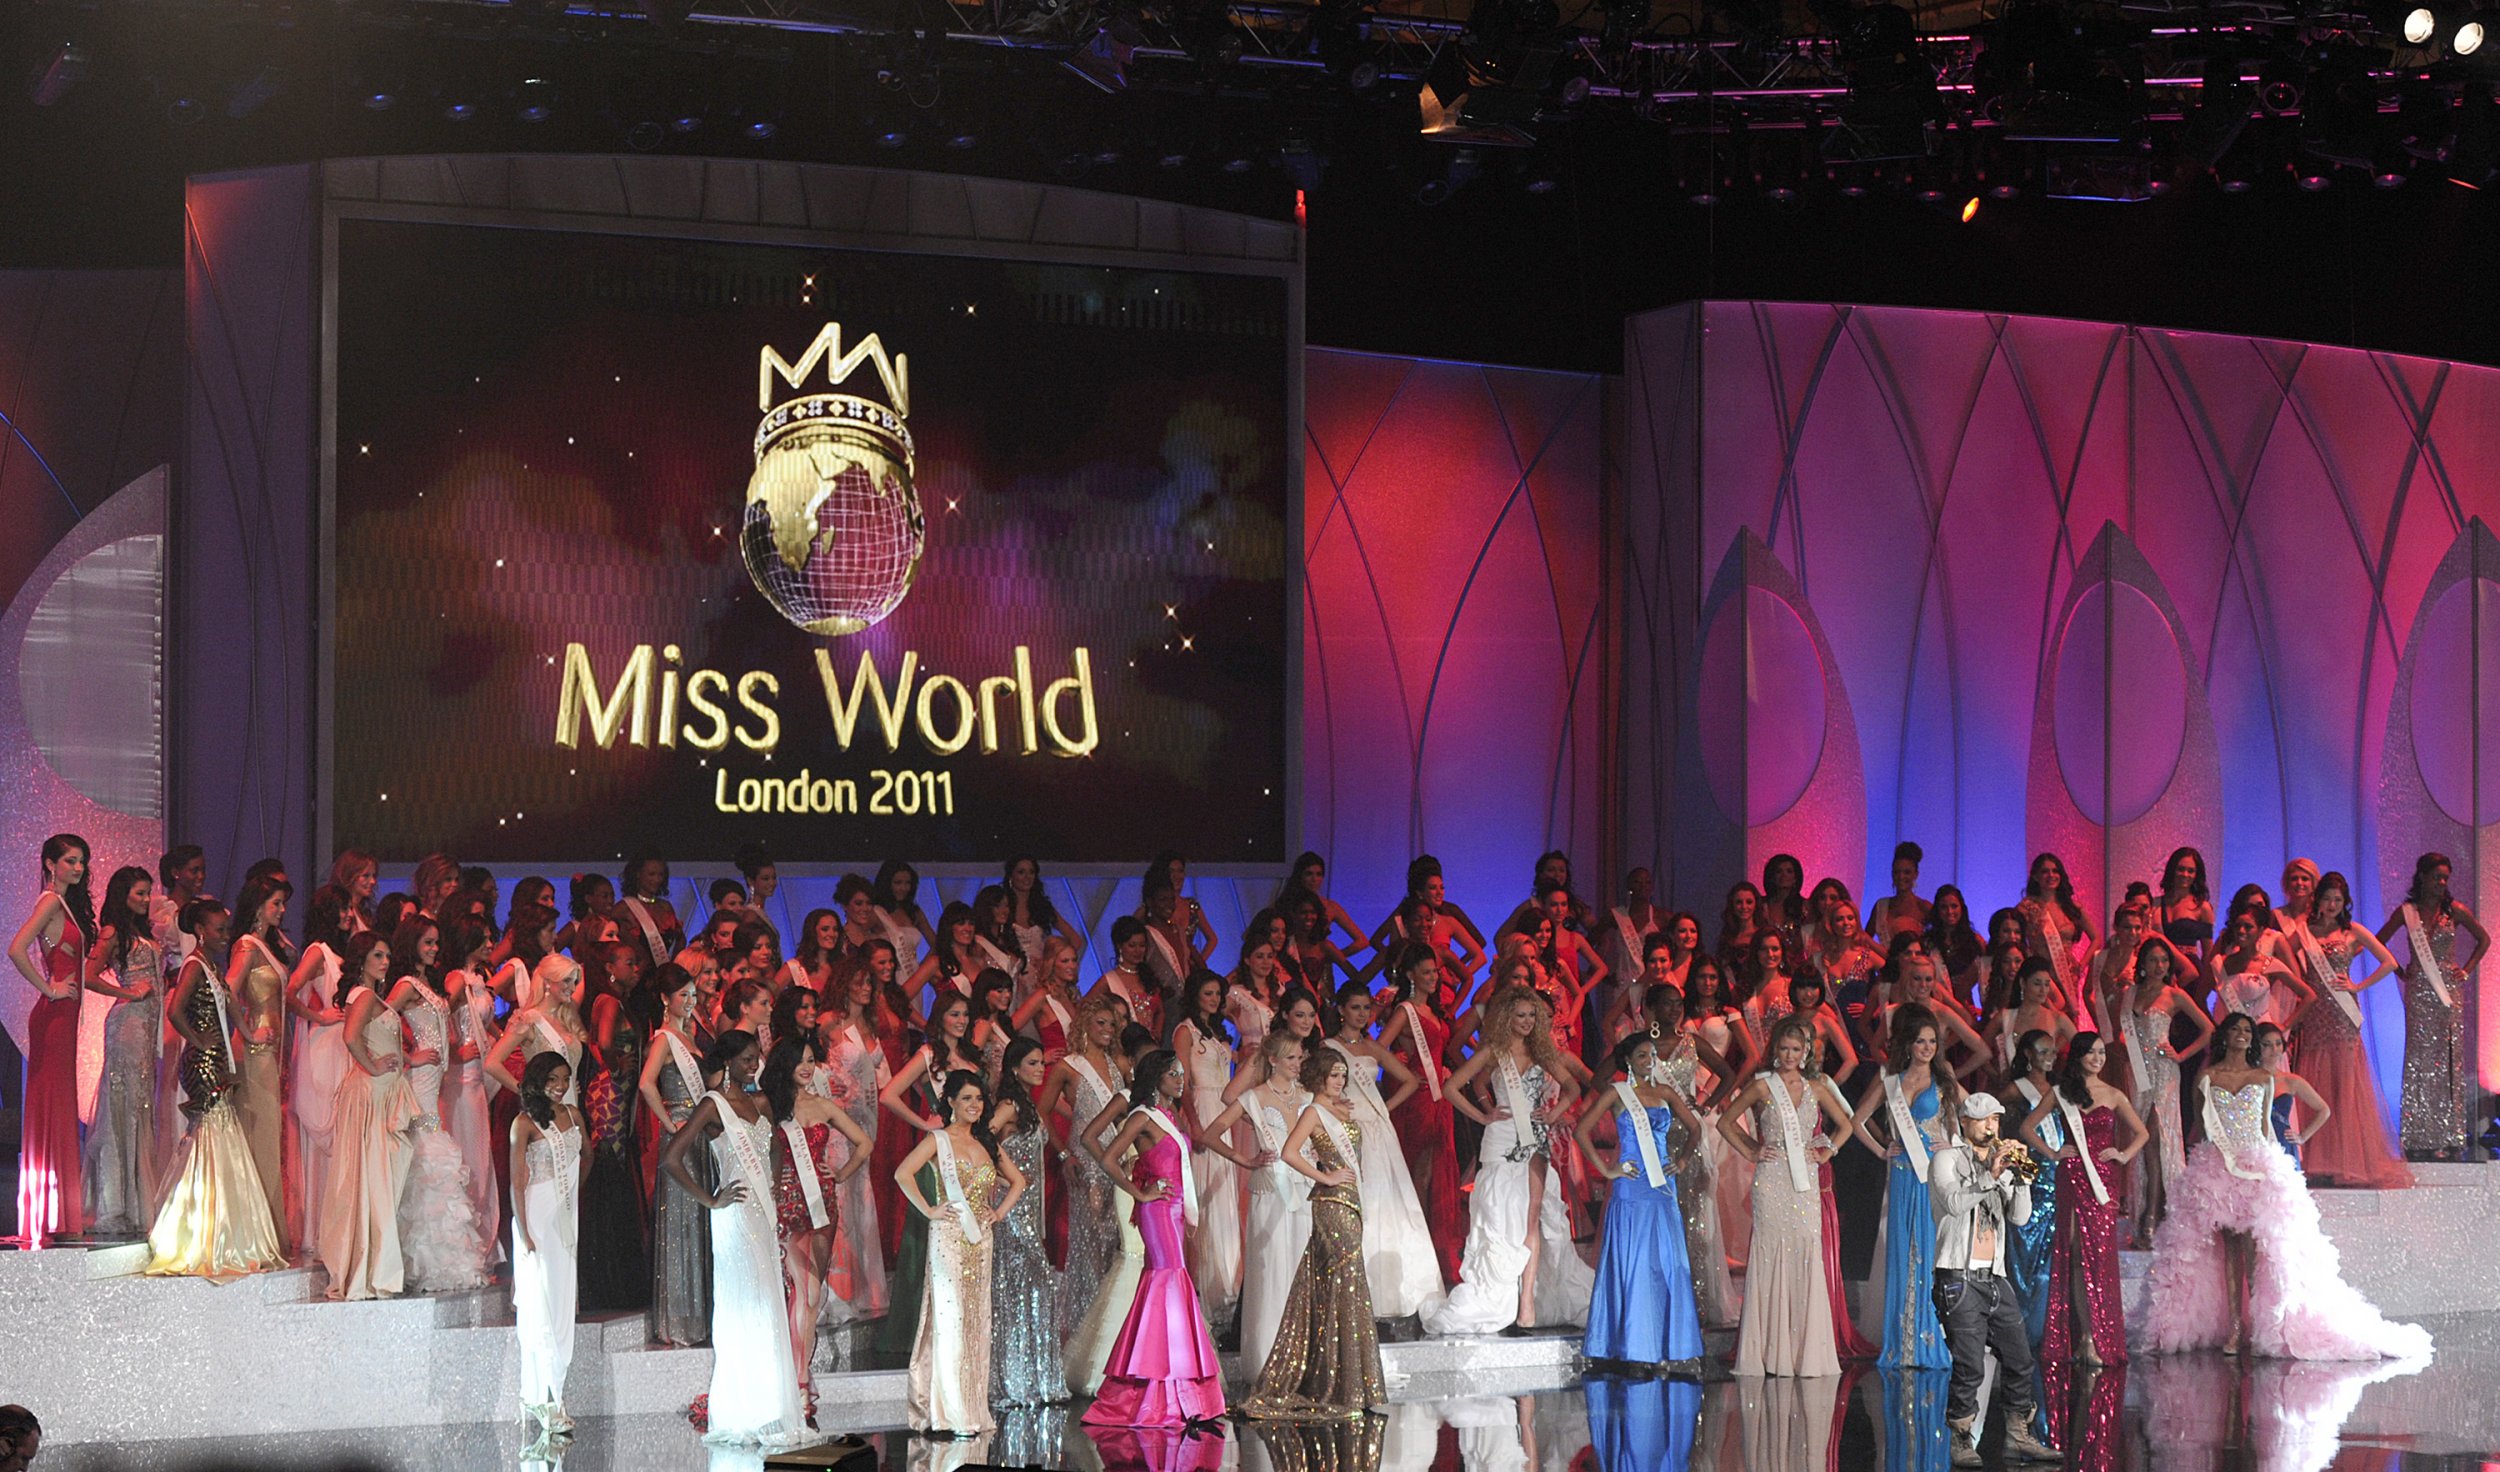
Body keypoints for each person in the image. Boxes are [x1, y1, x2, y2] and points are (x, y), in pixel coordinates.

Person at [2139, 1012, 2432, 1360]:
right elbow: (2201, 1125)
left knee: (2258, 1249)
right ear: (2225, 1036)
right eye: (2238, 1030)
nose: (2244, 1036)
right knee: (2229, 1246)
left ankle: (2261, 1325)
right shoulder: (2207, 1076)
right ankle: (2234, 1325)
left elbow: (2265, 1127)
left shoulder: (2263, 1078)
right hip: (2218, 1167)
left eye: (2248, 1031)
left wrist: (2273, 1164)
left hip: (2256, 1164)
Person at [660, 1029, 806, 1447]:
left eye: (756, 1057)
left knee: (766, 1299)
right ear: (726, 1062)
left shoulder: (760, 1102)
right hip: (733, 1215)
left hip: (761, 1212)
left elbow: (775, 1148)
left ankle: (771, 1406)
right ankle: (744, 1408)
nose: (753, 1065)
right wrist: (710, 1199)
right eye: (745, 1059)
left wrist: (774, 1186)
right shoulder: (712, 1105)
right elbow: (672, 1159)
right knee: (742, 1302)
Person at [1428, 985, 1593, 1336]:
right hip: (1501, 1137)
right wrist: (1485, 1114)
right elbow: (1452, 1087)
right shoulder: (1493, 1051)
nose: (1527, 1022)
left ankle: (1527, 1303)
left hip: (1533, 1137)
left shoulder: (1543, 1052)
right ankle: (1501, 1293)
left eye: (1533, 1015)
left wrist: (1553, 1114)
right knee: (1500, 1216)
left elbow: (1574, 1087)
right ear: (1507, 1018)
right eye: (1521, 1015)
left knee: (1531, 1220)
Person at [1081, 1047, 1228, 1427]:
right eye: (1173, 1074)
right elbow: (1107, 1155)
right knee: (1168, 1281)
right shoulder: (1142, 1117)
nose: (1180, 1080)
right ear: (1155, 1078)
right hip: (1157, 1208)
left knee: (1170, 1286)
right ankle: (1158, 1385)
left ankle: (1171, 1385)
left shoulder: (1169, 1115)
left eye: (1181, 1074)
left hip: (1175, 1208)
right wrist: (1139, 1191)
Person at [1243, 1047, 1389, 1419]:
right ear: (1319, 1077)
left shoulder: (1342, 1110)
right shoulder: (1313, 1112)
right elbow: (1291, 1152)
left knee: (1344, 1286)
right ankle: (1341, 1385)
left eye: (1343, 1075)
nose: (1340, 1081)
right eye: (1334, 1075)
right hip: (1330, 1205)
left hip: (1350, 1203)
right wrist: (1324, 1176)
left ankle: (1350, 1383)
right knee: (1345, 1282)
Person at [145, 898, 285, 1280]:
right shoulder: (193, 965)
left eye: (226, 928)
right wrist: (197, 1041)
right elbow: (174, 1009)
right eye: (220, 929)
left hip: (219, 1057)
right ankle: (200, 1230)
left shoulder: (212, 967)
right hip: (203, 1062)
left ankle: (222, 1227)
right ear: (202, 931)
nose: (226, 935)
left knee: (220, 1139)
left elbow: (233, 1009)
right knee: (211, 1138)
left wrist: (250, 1035)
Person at [1926, 1093, 2062, 1466]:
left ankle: (2019, 1434)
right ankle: (1961, 1439)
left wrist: (2018, 1181)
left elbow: (2019, 1217)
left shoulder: (1999, 1164)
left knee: (2019, 1358)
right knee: (1970, 1365)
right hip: (1958, 1276)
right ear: (1965, 1122)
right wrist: (1991, 1175)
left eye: (1996, 1120)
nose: (1991, 1126)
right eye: (1985, 1119)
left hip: (1995, 1277)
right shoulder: (1946, 1159)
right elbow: (1954, 1203)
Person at [1719, 1017, 1857, 1377]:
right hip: (1772, 1178)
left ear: (1806, 1051)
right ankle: (1767, 1352)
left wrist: (1828, 1152)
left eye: (1797, 1049)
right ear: (1775, 1050)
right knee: (1771, 1254)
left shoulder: (1818, 1087)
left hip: (1805, 1182)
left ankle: (1803, 1352)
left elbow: (1846, 1125)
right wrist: (1751, 1150)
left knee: (1805, 1253)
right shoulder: (1763, 1086)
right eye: (1784, 1048)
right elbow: (1725, 1122)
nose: (1790, 1055)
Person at [896, 1066, 1021, 1438]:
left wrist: (998, 1212)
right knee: (951, 1321)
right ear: (950, 1102)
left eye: (979, 1098)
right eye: (966, 1098)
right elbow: (903, 1174)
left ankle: (971, 1407)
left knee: (976, 1321)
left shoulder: (987, 1142)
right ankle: (949, 1412)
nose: (974, 1105)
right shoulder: (938, 1140)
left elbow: (1018, 1181)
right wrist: (929, 1209)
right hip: (949, 1235)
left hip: (981, 1238)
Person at [1575, 1033, 1706, 1369]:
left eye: (1652, 1056)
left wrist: (1683, 1161)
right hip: (1631, 1186)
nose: (1650, 1061)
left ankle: (1667, 1344)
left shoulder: (1664, 1092)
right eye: (1643, 1056)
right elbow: (1581, 1130)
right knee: (1633, 1264)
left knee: (1666, 1262)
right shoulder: (1617, 1093)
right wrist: (1607, 1169)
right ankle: (1632, 1347)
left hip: (1662, 1187)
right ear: (1628, 1061)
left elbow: (1695, 1128)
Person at [2015, 1032, 2145, 1367]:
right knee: (2073, 1254)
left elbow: (2142, 1132)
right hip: (2071, 1176)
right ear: (2078, 1057)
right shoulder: (2061, 1093)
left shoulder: (2114, 1094)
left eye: (2102, 1053)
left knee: (2098, 1258)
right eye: (2091, 1053)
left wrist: (2123, 1154)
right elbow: (2027, 1127)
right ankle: (2085, 1337)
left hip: (2102, 1178)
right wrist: (2054, 1153)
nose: (2098, 1059)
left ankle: (2099, 1337)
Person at [1323, 982, 1446, 1322]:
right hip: (1348, 1131)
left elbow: (1410, 1080)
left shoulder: (1373, 1047)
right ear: (1341, 1010)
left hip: (1377, 1130)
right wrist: (1336, 1109)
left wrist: (1382, 1107)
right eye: (1355, 1008)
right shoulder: (1328, 1048)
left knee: (1387, 1203)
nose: (1362, 1014)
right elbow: (1316, 1089)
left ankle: (1390, 1288)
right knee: (1360, 1202)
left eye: (1366, 1008)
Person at [763, 1034, 870, 1425]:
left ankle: (799, 1377)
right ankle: (799, 1381)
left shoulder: (823, 1105)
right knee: (804, 1294)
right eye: (801, 1061)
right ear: (784, 1065)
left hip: (822, 1204)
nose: (807, 1068)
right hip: (788, 1204)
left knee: (812, 1293)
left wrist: (839, 1174)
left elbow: (864, 1143)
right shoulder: (770, 1107)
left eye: (811, 1061)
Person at [2283, 872, 2412, 1188]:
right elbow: (2280, 955)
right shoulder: (2304, 932)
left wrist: (2359, 985)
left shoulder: (2352, 931)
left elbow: (2390, 962)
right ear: (2318, 900)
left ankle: (2346, 1163)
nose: (2331, 905)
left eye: (2337, 900)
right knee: (2315, 1082)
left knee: (2344, 1086)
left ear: (2345, 903)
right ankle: (2316, 1161)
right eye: (2326, 898)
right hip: (2315, 1016)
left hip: (2342, 1016)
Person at [1847, 1004, 1956, 1371]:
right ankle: (1902, 1342)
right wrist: (1881, 1149)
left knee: (1928, 1250)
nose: (1926, 1048)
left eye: (1932, 1042)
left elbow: (1960, 1123)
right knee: (1902, 1251)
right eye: (1920, 1041)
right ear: (1908, 1045)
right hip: (1903, 1172)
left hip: (1932, 1175)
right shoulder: (1888, 1079)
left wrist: (1952, 1146)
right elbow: (1856, 1120)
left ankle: (1926, 1337)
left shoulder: (1943, 1079)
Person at [387, 917, 493, 1292]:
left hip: (435, 1081)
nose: (434, 949)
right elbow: (378, 1021)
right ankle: (423, 1260)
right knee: (427, 1158)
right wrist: (407, 1056)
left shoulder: (425, 984)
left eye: (436, 943)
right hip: (421, 1080)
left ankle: (435, 1259)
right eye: (427, 943)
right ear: (411, 943)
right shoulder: (405, 985)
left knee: (430, 1155)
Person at [1201, 1030, 1314, 1372]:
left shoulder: (1308, 1096)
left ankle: (1304, 1357)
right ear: (1274, 1060)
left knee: (1300, 1271)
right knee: (1270, 1269)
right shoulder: (1254, 1098)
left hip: (1304, 1190)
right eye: (1292, 1058)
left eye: (1300, 1057)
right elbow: (1210, 1133)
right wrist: (1245, 1160)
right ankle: (1269, 1356)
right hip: (1271, 1191)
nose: (1299, 1064)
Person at [320, 932, 420, 1301]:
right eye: (378, 955)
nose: (385, 961)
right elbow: (350, 1037)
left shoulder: (369, 995)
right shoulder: (362, 995)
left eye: (388, 954)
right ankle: (372, 1269)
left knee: (378, 1179)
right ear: (361, 959)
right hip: (372, 1095)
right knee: (373, 1179)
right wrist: (373, 1067)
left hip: (379, 1094)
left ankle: (376, 1264)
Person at [2096, 934, 2209, 1246]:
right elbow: (2121, 1032)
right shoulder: (2129, 994)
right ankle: (2145, 1211)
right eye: (2152, 960)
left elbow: (2209, 1030)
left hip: (2164, 1073)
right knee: (2141, 1140)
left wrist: (2182, 1055)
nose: (2159, 966)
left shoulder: (2175, 995)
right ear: (2142, 964)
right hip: (2136, 1071)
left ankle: (2157, 1216)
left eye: (2163, 960)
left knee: (2159, 1137)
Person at [2379, 851, 2490, 1161]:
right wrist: (2399, 970)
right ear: (2422, 877)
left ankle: (2448, 1135)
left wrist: (2465, 970)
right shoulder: (2407, 912)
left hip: (2447, 994)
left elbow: (2485, 939)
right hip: (2418, 993)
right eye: (2437, 876)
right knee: (2418, 1061)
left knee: (2446, 1062)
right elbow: (2378, 942)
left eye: (2445, 878)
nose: (2442, 883)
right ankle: (2416, 1137)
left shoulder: (2454, 911)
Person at [11, 833, 92, 1248]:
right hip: (54, 1017)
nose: (77, 868)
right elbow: (16, 948)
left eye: (80, 862)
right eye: (69, 861)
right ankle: (53, 1213)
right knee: (55, 1104)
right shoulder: (49, 902)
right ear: (49, 863)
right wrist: (49, 988)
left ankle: (56, 1211)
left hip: (62, 1019)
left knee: (58, 1104)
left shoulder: (62, 904)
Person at [511, 1051, 589, 1447]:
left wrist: (573, 1191)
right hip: (537, 1219)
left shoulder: (574, 1116)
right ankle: (546, 1400)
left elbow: (586, 1156)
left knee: (561, 1302)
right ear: (537, 1081)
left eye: (565, 1079)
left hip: (565, 1215)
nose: (560, 1087)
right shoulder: (524, 1123)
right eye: (553, 1080)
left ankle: (554, 1391)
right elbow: (516, 1180)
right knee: (539, 1303)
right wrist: (524, 1231)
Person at [80, 866, 163, 1238]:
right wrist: (129, 993)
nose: (146, 901)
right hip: (127, 1025)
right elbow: (88, 975)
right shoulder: (113, 932)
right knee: (123, 1112)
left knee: (139, 1108)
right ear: (123, 896)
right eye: (139, 894)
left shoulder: (141, 932)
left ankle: (135, 1205)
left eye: (148, 893)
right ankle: (116, 1205)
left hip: (145, 1029)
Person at [1377, 943, 1465, 1283]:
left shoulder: (1433, 1011)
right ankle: (1416, 1243)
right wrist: (1399, 1062)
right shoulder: (1405, 1010)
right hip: (1417, 1100)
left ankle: (1432, 1244)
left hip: (1438, 1098)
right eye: (1427, 972)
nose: (1433, 977)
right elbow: (1379, 1047)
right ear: (1411, 975)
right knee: (1420, 1172)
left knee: (1435, 1173)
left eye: (1435, 972)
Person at [637, 963, 712, 1346]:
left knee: (698, 1217)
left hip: (699, 1134)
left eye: (693, 993)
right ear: (666, 999)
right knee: (682, 1219)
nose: (691, 1000)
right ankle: (682, 1319)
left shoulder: (691, 1036)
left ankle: (701, 1317)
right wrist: (669, 1125)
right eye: (683, 994)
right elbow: (646, 1084)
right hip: (682, 1133)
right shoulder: (665, 1038)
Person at [985, 1039, 1062, 1408]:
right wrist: (1001, 1180)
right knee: (1020, 1288)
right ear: (1014, 1067)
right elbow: (979, 1137)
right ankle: (1013, 1381)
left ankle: (1031, 1379)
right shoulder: (1009, 1105)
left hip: (1029, 1207)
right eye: (1033, 1062)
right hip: (1011, 1209)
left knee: (1029, 1290)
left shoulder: (1028, 1104)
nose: (1040, 1069)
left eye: (1043, 1062)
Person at [226, 874, 297, 1245]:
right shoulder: (246, 945)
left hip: (272, 1053)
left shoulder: (264, 945)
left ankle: (266, 1228)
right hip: (256, 1051)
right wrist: (250, 1031)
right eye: (276, 904)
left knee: (269, 1136)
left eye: (283, 904)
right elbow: (227, 991)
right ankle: (256, 1231)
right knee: (261, 1136)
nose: (282, 910)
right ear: (258, 905)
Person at [1171, 971, 1244, 1327]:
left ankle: (1226, 1289)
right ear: (1194, 995)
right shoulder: (1185, 1031)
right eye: (1208, 993)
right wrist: (1194, 1124)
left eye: (1218, 994)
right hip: (1201, 1107)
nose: (1214, 999)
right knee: (1204, 1198)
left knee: (1225, 1200)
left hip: (1225, 1112)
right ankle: (1202, 1290)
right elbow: (1181, 1082)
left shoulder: (1218, 1034)